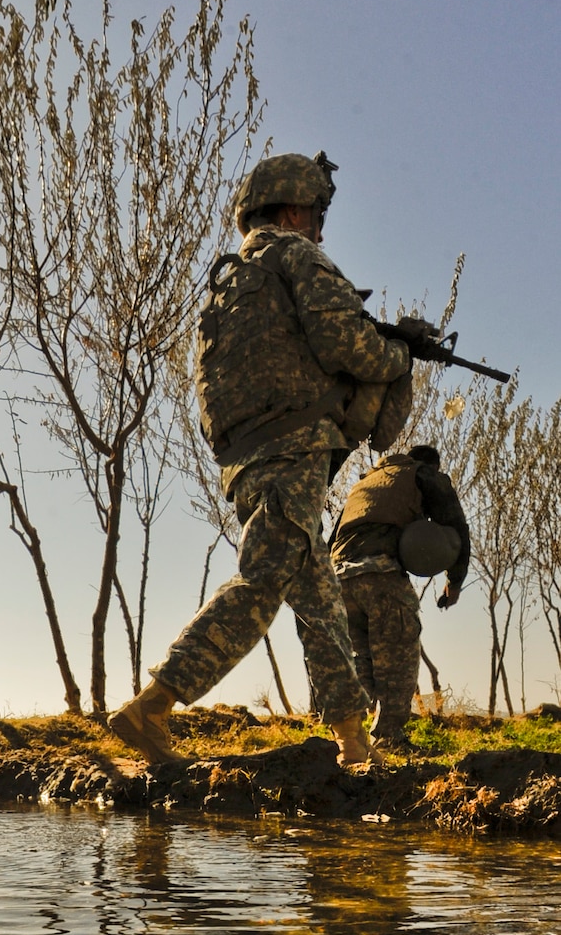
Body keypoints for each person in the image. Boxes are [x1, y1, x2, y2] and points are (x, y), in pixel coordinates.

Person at [110, 150, 422, 769]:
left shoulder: (227, 286)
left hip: (247, 460)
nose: (322, 228)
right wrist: (400, 356)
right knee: (262, 581)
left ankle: (354, 743)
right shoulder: (297, 257)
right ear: (295, 207)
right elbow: (346, 343)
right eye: (318, 213)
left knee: (319, 594)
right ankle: (154, 704)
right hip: (294, 448)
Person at [331, 443, 470, 751]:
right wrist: (455, 580)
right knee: (398, 658)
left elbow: (334, 536)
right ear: (430, 465)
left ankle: (354, 738)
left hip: (339, 578)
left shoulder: (366, 482)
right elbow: (455, 524)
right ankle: (389, 739)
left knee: (362, 658)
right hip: (381, 575)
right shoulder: (422, 474)